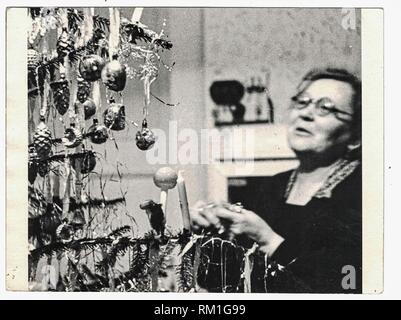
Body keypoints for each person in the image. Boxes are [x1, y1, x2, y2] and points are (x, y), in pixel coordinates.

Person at [191, 68, 362, 293]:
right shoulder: (272, 187)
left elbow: (347, 287)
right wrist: (210, 236)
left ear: (355, 136)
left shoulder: (363, 191)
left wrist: (268, 241)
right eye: (302, 102)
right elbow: (219, 282)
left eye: (325, 108)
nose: (306, 114)